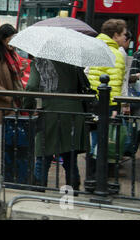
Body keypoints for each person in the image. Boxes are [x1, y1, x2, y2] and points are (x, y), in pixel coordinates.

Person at [24, 58, 88, 191]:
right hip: (74, 110)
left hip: (51, 110)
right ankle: (73, 189)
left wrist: (27, 106)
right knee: (70, 156)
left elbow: (31, 86)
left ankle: (39, 189)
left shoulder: (41, 61)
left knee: (43, 153)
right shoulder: (73, 61)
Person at [87, 19, 126, 164]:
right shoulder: (115, 54)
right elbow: (115, 83)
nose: (125, 38)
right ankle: (98, 176)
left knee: (95, 139)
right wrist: (115, 106)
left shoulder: (96, 48)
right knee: (103, 141)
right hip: (107, 104)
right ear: (115, 35)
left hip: (94, 101)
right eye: (123, 34)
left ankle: (91, 176)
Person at [0, 24, 26, 141]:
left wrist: (20, 70)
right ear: (2, 39)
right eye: (10, 39)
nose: (13, 42)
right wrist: (11, 96)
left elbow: (10, 78)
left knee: (12, 141)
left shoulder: (12, 55)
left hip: (10, 105)